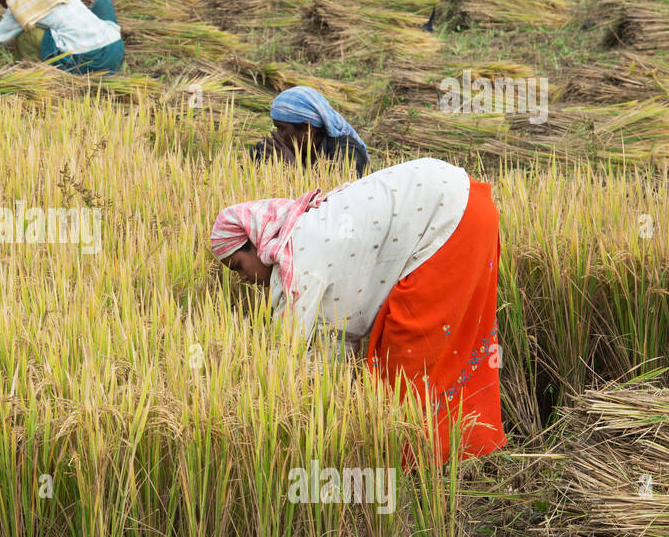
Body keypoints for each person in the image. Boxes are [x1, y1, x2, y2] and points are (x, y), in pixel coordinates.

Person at [210, 157, 505, 462]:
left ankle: (414, 457)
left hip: (450, 216)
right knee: (429, 348)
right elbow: (332, 342)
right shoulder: (310, 230)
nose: (242, 278)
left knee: (407, 355)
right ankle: (451, 449)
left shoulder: (299, 255)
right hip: (467, 206)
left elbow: (288, 356)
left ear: (256, 242)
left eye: (238, 266)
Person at [251, 86, 370, 177]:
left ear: (307, 128)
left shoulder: (347, 151)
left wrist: (294, 169)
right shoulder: (272, 150)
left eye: (281, 128)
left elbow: (339, 201)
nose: (278, 135)